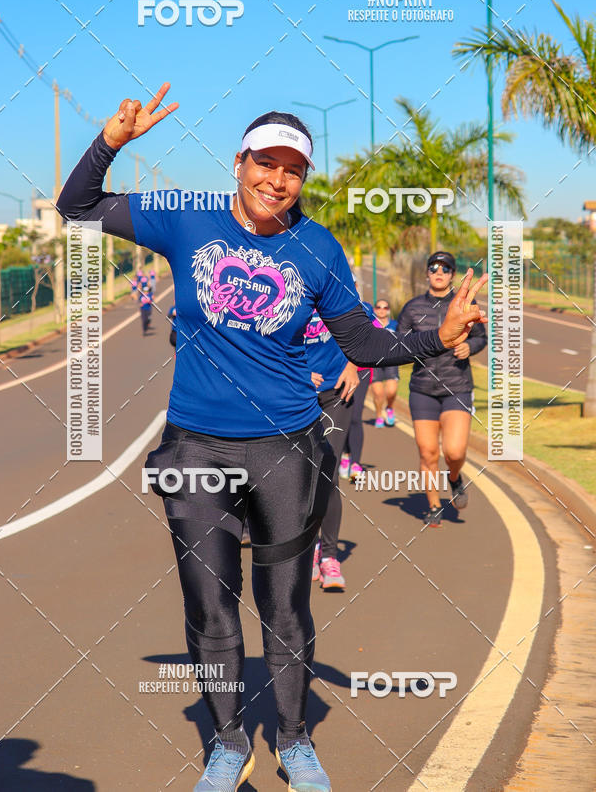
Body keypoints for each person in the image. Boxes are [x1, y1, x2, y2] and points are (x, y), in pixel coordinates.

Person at [57, 84, 487, 792]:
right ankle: (228, 744)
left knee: (285, 603)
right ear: (239, 161)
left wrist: (430, 341)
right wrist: (111, 143)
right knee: (207, 603)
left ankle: (293, 739)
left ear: (302, 180)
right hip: (194, 448)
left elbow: (361, 340)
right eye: (265, 163)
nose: (275, 179)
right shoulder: (185, 220)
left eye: (291, 170)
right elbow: (77, 207)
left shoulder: (316, 248)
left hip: (287, 448)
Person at [397, 251, 487, 527]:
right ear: (427, 273)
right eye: (434, 267)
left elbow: (481, 337)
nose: (439, 272)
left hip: (457, 387)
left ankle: (454, 477)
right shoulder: (412, 308)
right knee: (427, 452)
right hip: (422, 389)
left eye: (446, 268)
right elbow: (399, 344)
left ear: (452, 274)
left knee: (455, 451)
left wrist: (469, 346)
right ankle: (434, 505)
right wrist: (416, 349)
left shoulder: (464, 304)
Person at [304, 309, 359, 591]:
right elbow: (261, 343)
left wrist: (353, 364)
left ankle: (329, 556)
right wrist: (297, 370)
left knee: (328, 472)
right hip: (296, 393)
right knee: (299, 475)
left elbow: (367, 332)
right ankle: (308, 548)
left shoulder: (337, 289)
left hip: (337, 393)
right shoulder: (280, 290)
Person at [339, 279, 380, 483]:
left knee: (355, 416)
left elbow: (376, 334)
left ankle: (356, 462)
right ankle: (344, 455)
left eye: (352, 284)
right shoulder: (327, 307)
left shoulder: (365, 309)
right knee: (341, 415)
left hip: (361, 370)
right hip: (336, 371)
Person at [370, 299, 399, 428]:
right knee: (378, 393)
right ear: (375, 309)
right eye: (379, 307)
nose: (382, 310)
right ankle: (378, 415)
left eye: (385, 307)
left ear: (389, 310)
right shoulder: (370, 324)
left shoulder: (395, 325)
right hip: (375, 363)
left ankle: (390, 408)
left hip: (391, 362)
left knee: (391, 391)